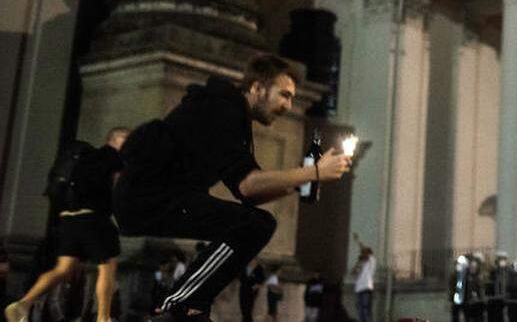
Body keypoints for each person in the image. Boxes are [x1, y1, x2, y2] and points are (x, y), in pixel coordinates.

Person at [112, 54, 352, 322]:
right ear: (258, 88)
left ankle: (190, 308)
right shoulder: (222, 109)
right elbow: (249, 186)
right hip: (147, 197)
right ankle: (183, 303)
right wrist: (314, 171)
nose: (288, 105)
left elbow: (248, 193)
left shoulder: (231, 112)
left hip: (156, 197)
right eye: (284, 95)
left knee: (253, 222)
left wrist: (300, 181)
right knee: (255, 225)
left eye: (292, 98)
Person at [5, 127, 129, 322]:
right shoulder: (112, 158)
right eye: (127, 140)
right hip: (93, 219)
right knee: (107, 266)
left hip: (68, 219)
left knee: (63, 269)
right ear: (114, 141)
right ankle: (104, 317)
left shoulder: (83, 160)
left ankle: (23, 303)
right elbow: (119, 190)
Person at [351, 234, 376, 322]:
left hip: (366, 288)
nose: (362, 254)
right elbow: (353, 273)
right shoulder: (362, 264)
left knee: (366, 310)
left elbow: (364, 249)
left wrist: (358, 240)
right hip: (359, 289)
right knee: (360, 311)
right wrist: (358, 263)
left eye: (364, 253)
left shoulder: (371, 261)